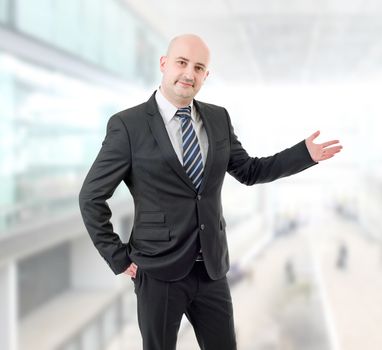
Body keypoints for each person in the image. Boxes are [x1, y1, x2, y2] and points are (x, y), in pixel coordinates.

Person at [78, 34, 342, 350]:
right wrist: (118, 258)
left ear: (206, 75)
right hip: (158, 272)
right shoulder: (128, 125)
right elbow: (91, 197)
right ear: (164, 64)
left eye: (199, 67)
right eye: (182, 63)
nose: (189, 73)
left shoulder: (218, 118)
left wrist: (304, 155)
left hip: (211, 268)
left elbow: (249, 171)